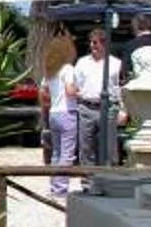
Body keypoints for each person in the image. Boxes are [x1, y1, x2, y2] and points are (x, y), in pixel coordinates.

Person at [64, 25, 121, 171]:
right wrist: (79, 94)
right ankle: (88, 182)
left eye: (95, 42)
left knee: (109, 147)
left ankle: (109, 179)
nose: (92, 45)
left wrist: (123, 110)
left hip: (108, 109)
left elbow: (121, 88)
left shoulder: (115, 63)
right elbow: (72, 85)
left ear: (104, 43)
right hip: (86, 108)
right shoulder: (82, 63)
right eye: (91, 42)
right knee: (86, 147)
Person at [41, 29, 79, 197]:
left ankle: (55, 186)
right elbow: (70, 91)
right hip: (67, 112)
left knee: (56, 152)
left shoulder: (50, 70)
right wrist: (81, 93)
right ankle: (61, 188)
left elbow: (43, 92)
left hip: (54, 113)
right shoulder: (68, 69)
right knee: (67, 153)